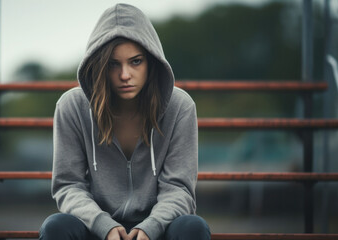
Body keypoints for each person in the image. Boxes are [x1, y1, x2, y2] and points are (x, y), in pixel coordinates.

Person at [40, 3, 211, 240]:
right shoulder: (72, 107)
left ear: (151, 61)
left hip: (157, 230)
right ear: (99, 65)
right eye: (113, 64)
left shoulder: (179, 107)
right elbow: (68, 185)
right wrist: (104, 226)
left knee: (192, 227)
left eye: (135, 61)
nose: (124, 75)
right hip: (96, 229)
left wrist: (149, 228)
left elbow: (179, 189)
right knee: (56, 227)